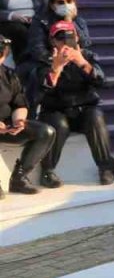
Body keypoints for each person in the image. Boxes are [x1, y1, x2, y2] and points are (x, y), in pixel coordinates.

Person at [36, 20, 114, 185]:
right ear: (52, 41)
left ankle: (105, 168)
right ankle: (48, 172)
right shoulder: (44, 59)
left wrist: (82, 63)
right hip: (56, 110)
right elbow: (40, 91)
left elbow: (102, 82)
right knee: (59, 124)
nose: (65, 42)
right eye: (60, 38)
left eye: (69, 37)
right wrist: (57, 67)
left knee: (95, 117)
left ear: (77, 38)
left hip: (84, 108)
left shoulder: (87, 56)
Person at [0, 35, 55, 195]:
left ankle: (19, 177)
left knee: (45, 132)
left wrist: (19, 121)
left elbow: (20, 102)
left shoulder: (8, 75)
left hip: (7, 126)